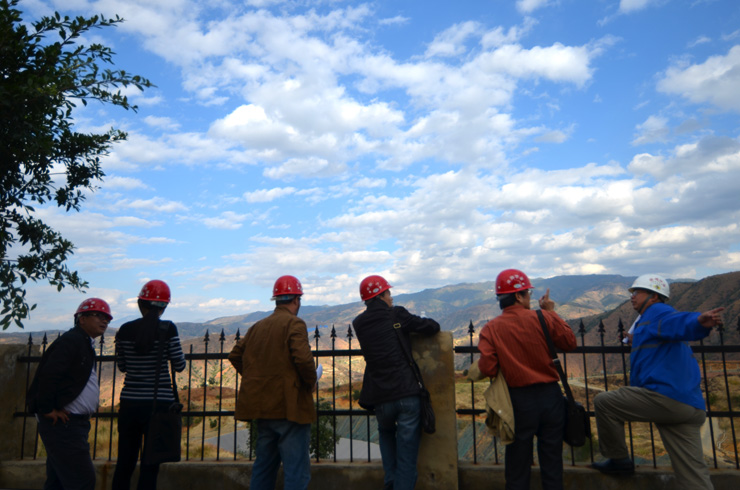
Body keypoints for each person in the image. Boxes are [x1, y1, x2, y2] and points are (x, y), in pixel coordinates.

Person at [590, 274, 723, 489]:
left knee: (604, 402)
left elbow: (678, 322)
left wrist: (698, 321)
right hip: (689, 405)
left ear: (653, 297)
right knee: (693, 475)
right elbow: (662, 333)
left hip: (665, 398)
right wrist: (634, 339)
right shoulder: (647, 322)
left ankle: (619, 460)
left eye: (637, 292)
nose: (632, 296)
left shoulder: (658, 312)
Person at [477, 269, 576, 490]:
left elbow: (488, 368)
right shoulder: (543, 318)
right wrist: (551, 312)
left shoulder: (491, 328)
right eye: (528, 294)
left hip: (518, 401)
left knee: (517, 464)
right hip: (550, 397)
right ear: (519, 296)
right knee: (552, 461)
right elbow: (570, 342)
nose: (530, 298)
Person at [228, 275, 317, 490]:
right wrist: (311, 381)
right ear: (296, 300)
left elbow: (235, 355)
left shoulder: (258, 326)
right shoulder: (294, 323)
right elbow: (303, 360)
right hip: (289, 407)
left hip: (263, 407)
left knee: (264, 468)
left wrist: (256, 379)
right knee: (296, 471)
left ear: (276, 300)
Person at [352, 275, 440, 490]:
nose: (391, 297)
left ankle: (390, 483)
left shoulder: (358, 323)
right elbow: (431, 327)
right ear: (381, 296)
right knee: (407, 459)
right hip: (406, 392)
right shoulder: (397, 314)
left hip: (381, 396)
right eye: (388, 293)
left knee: (385, 433)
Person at [27, 297, 113, 490]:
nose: (105, 321)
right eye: (98, 315)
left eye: (107, 318)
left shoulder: (82, 342)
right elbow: (49, 374)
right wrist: (46, 409)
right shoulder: (72, 341)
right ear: (82, 319)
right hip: (64, 426)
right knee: (82, 481)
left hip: (72, 425)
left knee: (58, 482)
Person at [112, 280, 186, 490]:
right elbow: (179, 365)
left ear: (140, 303)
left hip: (129, 403)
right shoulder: (167, 329)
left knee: (125, 461)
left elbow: (122, 366)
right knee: (151, 463)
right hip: (159, 405)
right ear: (164, 306)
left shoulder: (125, 330)